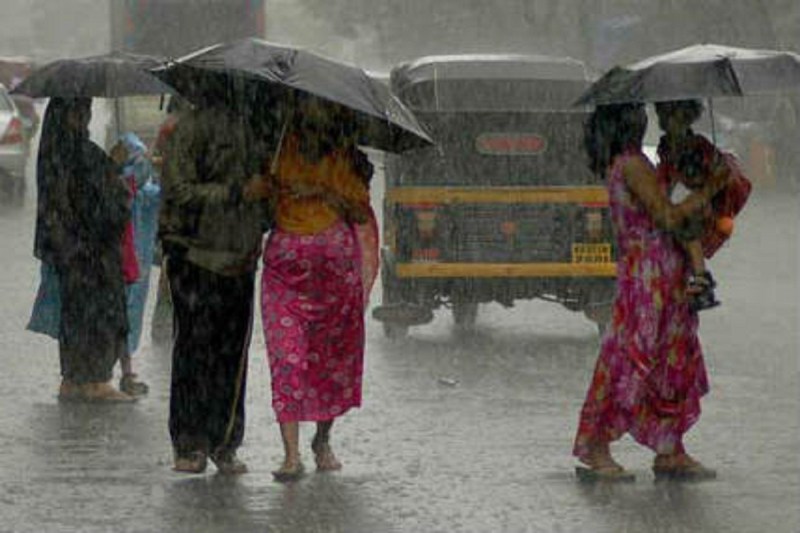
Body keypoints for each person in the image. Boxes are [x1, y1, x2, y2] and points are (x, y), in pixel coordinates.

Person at [572, 103, 729, 481]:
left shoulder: (636, 162)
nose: (646, 117)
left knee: (671, 359)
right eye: (638, 113)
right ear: (626, 121)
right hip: (648, 279)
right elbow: (668, 217)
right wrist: (710, 189)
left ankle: (669, 447)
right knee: (632, 358)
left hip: (664, 277)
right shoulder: (631, 164)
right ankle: (596, 444)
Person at [261, 98, 373, 482]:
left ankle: (322, 439)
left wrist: (327, 193)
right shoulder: (277, 152)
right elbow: (262, 197)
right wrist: (278, 188)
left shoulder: (344, 160)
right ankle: (290, 455)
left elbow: (359, 211)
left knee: (331, 360)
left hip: (335, 281)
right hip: (284, 274)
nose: (309, 132)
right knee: (287, 358)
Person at [159, 93, 267, 474]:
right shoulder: (189, 130)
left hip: (239, 259)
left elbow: (268, 197)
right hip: (194, 256)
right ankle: (190, 442)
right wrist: (237, 193)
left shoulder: (260, 130)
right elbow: (180, 191)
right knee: (193, 349)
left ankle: (224, 443)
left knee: (231, 356)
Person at [30, 97, 134, 402]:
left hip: (70, 253)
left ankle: (73, 378)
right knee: (100, 312)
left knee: (75, 314)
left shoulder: (53, 154)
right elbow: (107, 207)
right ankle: (95, 379)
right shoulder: (84, 155)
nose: (87, 115)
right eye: (82, 109)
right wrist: (114, 173)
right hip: (94, 255)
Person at [654, 99, 751, 311]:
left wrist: (699, 195)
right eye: (665, 116)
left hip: (691, 208)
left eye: (674, 117)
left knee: (689, 236)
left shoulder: (696, 145)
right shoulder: (667, 145)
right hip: (678, 207)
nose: (668, 122)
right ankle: (694, 282)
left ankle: (700, 281)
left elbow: (720, 173)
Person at [116, 132, 160, 395]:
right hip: (125, 264)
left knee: (128, 314)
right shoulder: (124, 187)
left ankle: (125, 369)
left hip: (134, 265)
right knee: (123, 314)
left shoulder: (145, 194)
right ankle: (122, 370)